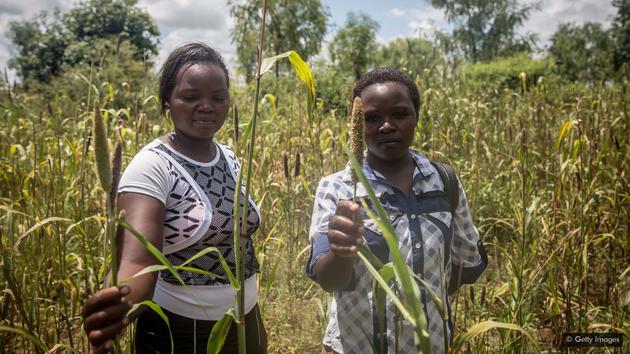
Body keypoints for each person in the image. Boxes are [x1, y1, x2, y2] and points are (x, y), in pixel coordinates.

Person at [82, 42, 267, 354]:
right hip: (182, 333)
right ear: (167, 100)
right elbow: (138, 259)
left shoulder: (230, 157)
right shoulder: (152, 166)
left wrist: (255, 327)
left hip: (244, 322)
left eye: (218, 98)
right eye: (191, 97)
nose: (207, 106)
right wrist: (120, 303)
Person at [306, 68, 488, 354]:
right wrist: (341, 253)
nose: (387, 125)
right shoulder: (337, 189)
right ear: (357, 125)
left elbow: (465, 265)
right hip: (358, 346)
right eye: (372, 118)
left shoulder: (443, 182)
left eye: (400, 114)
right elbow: (329, 280)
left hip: (431, 344)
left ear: (416, 117)